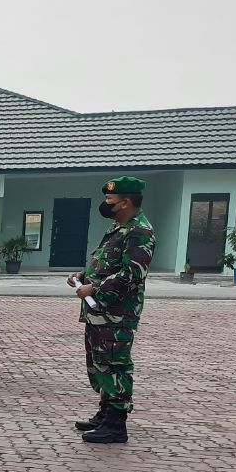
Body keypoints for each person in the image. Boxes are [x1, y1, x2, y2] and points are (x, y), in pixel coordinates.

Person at [70, 176, 155, 444]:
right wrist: (84, 275)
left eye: (110, 200)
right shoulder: (119, 227)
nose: (106, 204)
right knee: (101, 363)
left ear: (126, 202)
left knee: (115, 364)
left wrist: (93, 289)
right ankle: (106, 414)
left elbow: (133, 273)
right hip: (101, 311)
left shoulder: (139, 231)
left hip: (117, 312)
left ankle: (117, 425)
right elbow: (107, 262)